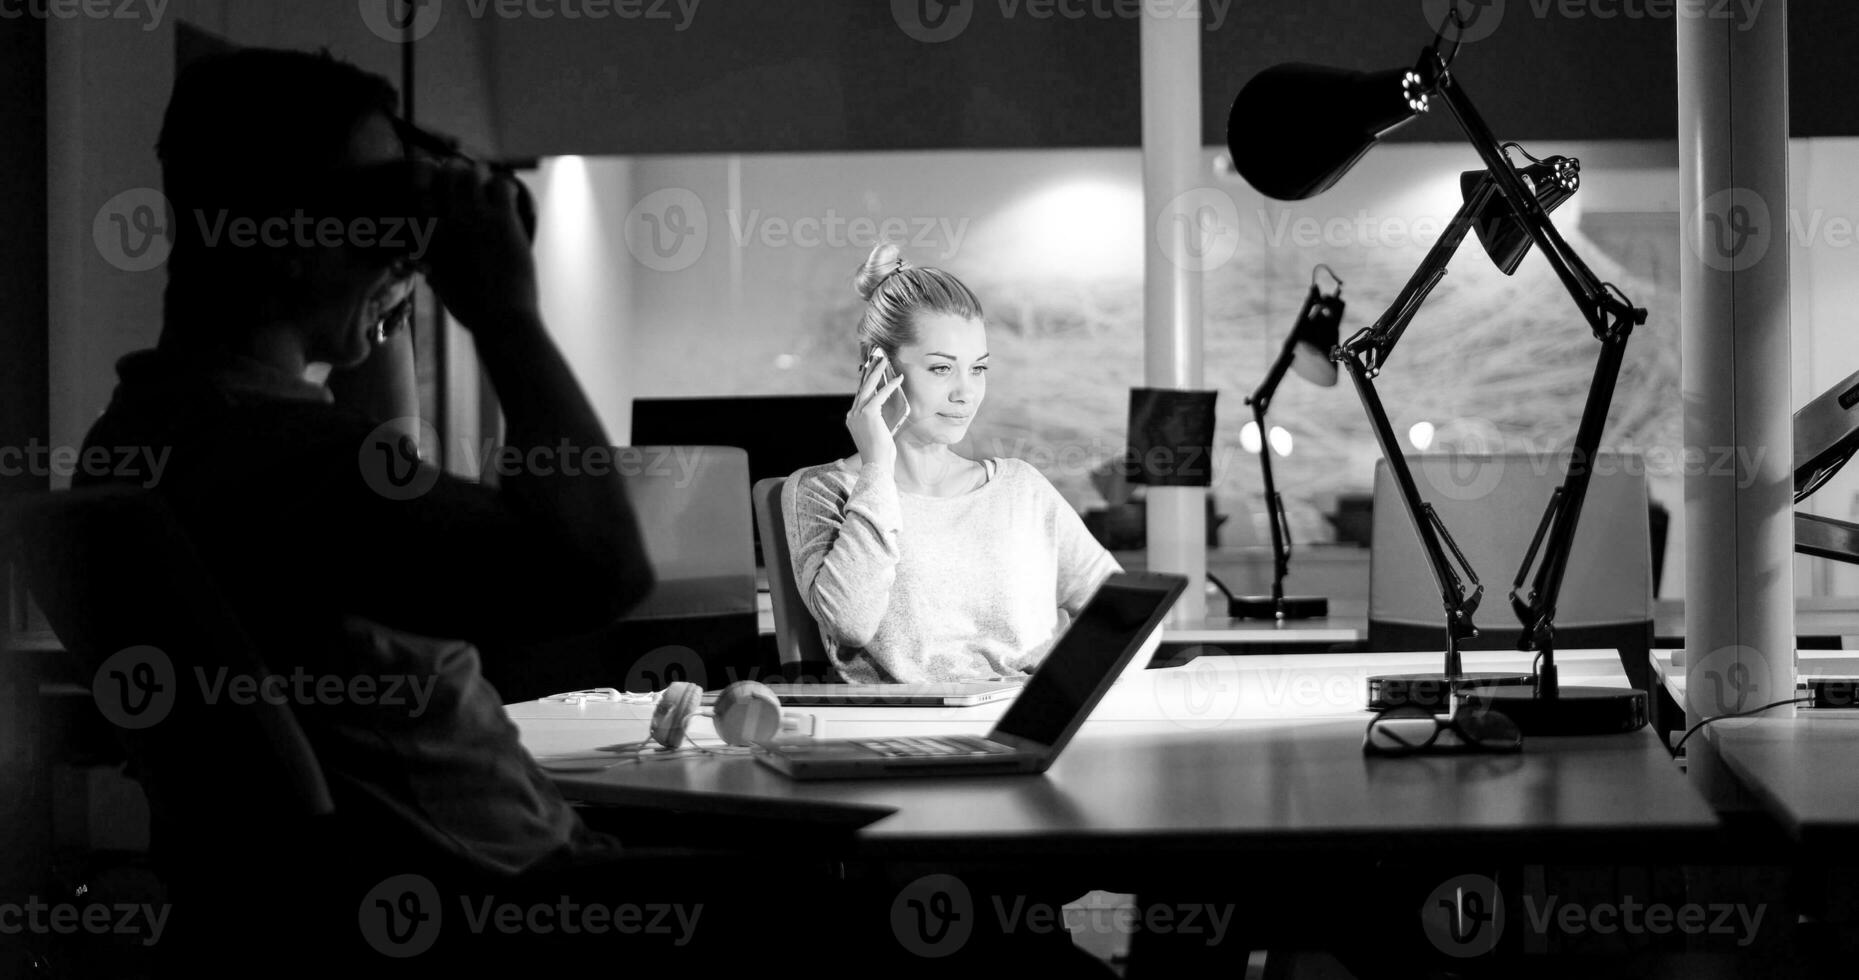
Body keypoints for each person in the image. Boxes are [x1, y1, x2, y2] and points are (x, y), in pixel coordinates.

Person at [784, 244, 1122, 683]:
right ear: (878, 371)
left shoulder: (1020, 488)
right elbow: (850, 622)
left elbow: (1126, 614)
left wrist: (1065, 684)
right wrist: (877, 468)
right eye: (942, 369)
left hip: (1029, 719)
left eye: (978, 369)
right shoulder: (823, 490)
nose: (967, 392)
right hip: (909, 738)